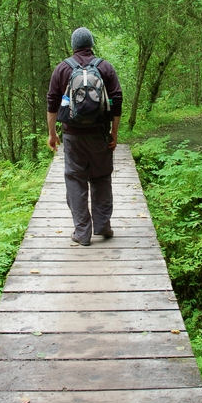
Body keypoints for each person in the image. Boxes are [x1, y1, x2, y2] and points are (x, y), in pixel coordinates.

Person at [47, 27, 123, 246]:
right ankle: (103, 225)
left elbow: (52, 103)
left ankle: (82, 232)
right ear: (91, 44)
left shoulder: (62, 68)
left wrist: (52, 134)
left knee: (75, 179)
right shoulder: (105, 67)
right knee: (101, 177)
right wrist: (113, 133)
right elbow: (117, 101)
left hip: (72, 136)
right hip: (99, 134)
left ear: (73, 45)